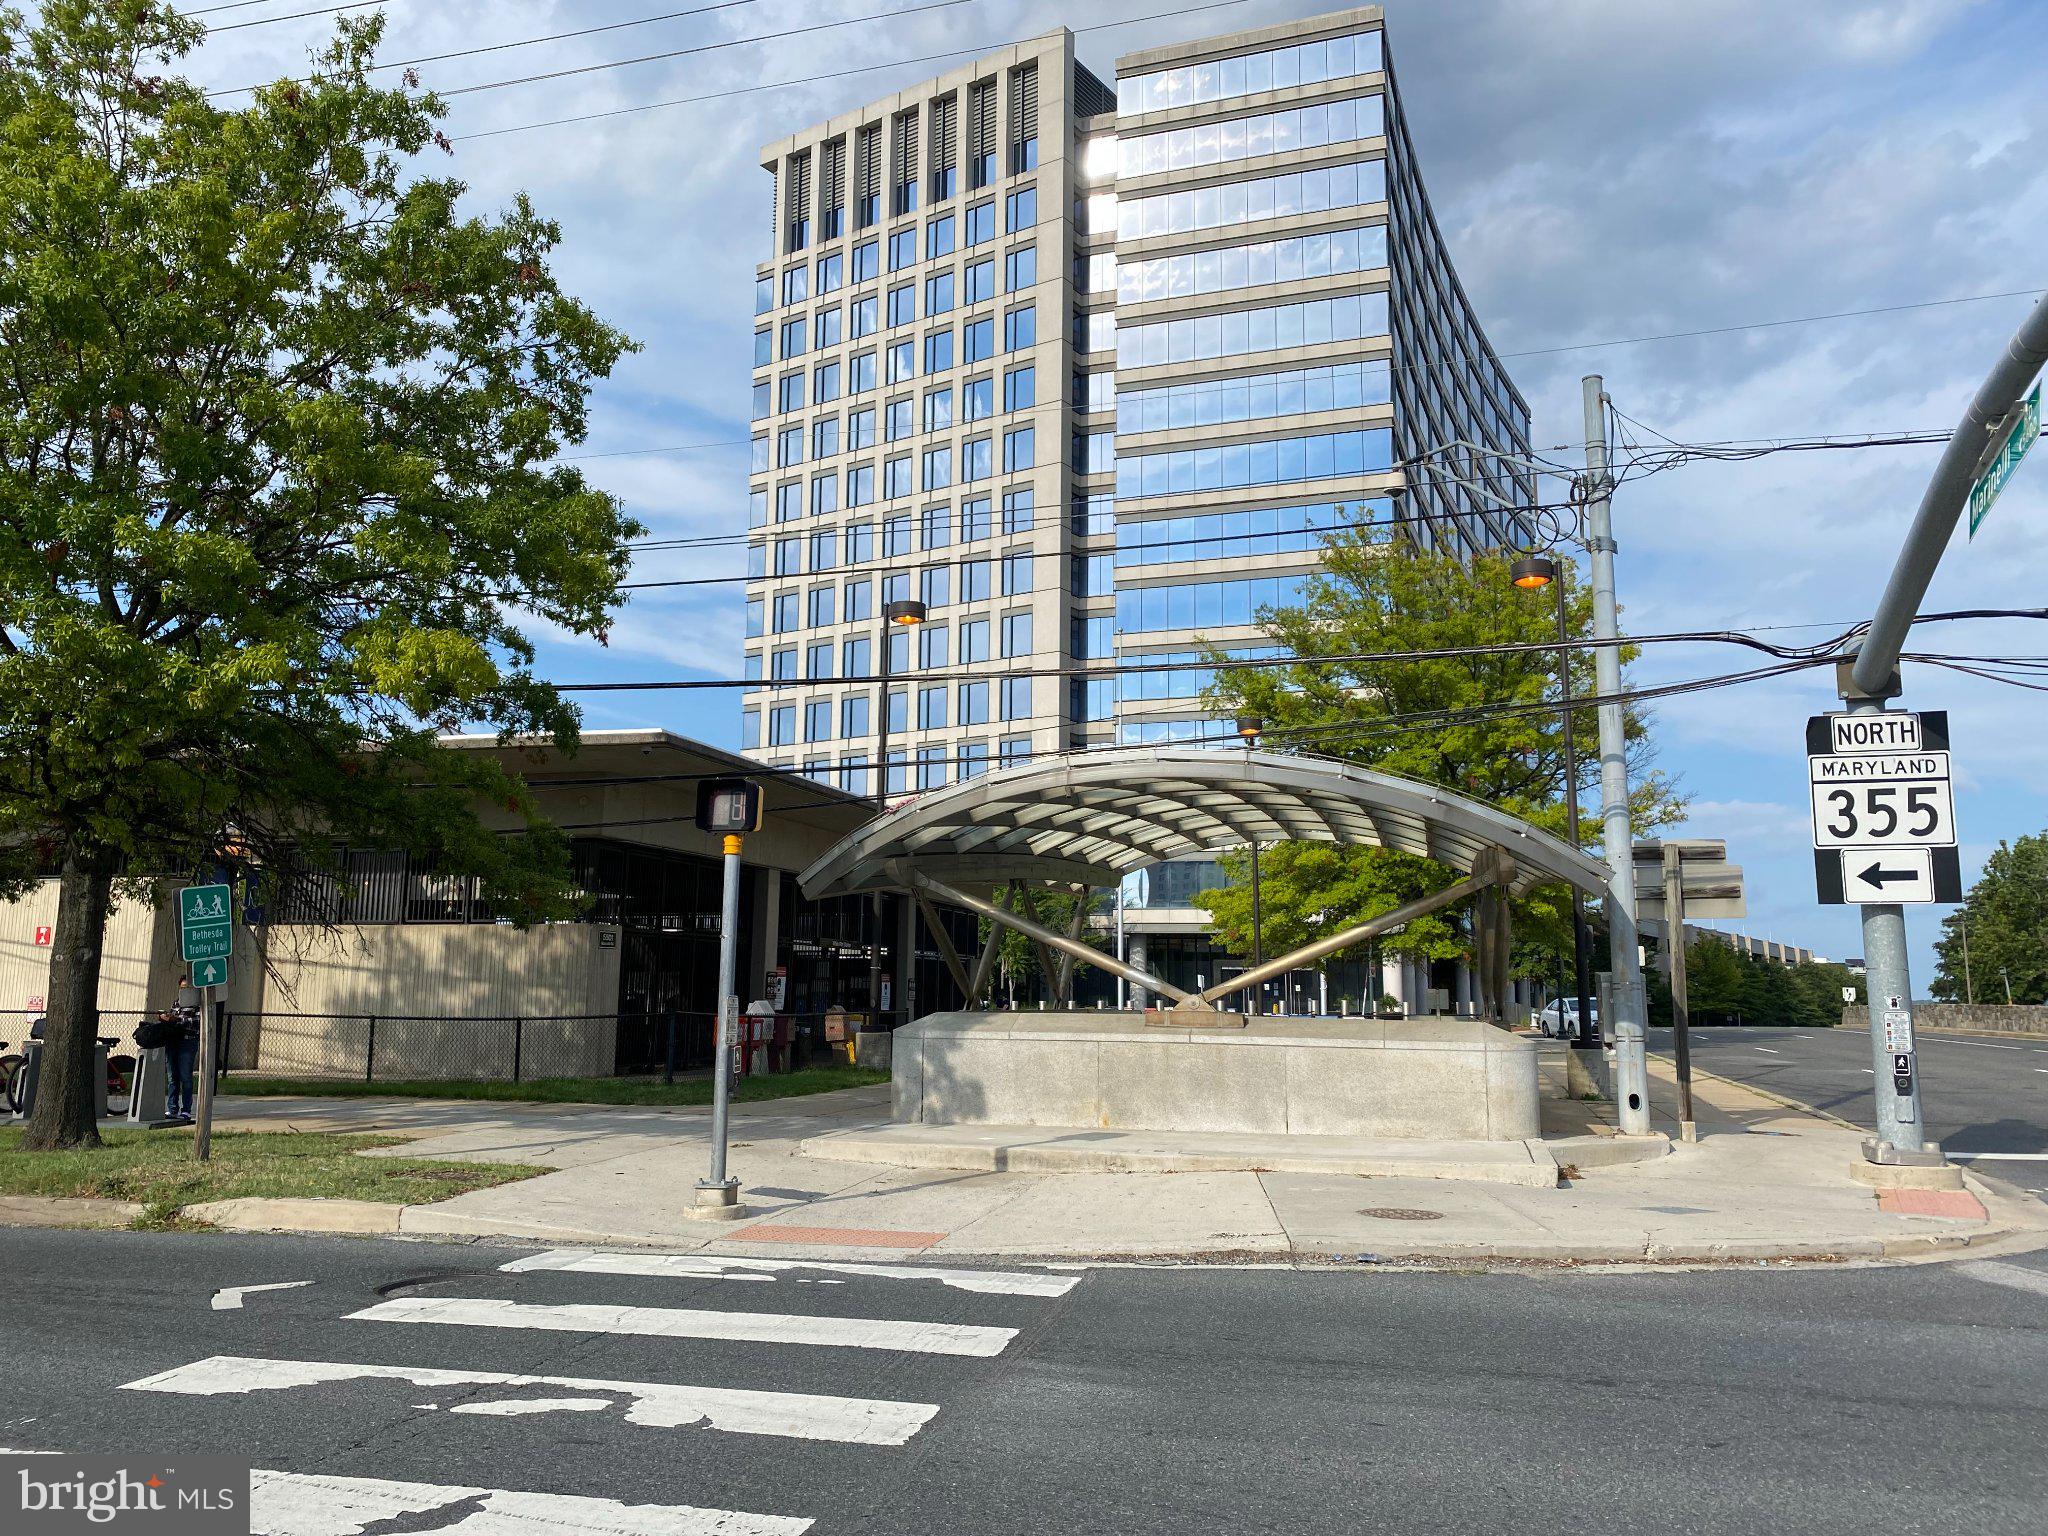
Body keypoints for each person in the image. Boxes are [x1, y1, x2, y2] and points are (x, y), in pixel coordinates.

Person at [160, 1004, 199, 1125]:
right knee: (172, 1077)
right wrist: (165, 1018)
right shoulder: (176, 1003)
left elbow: (198, 1021)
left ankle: (186, 1110)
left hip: (188, 1041)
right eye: (181, 988)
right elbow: (171, 1018)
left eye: (186, 987)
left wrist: (177, 1019)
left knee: (185, 1076)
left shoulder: (197, 1005)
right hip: (173, 1041)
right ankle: (172, 1109)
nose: (184, 991)